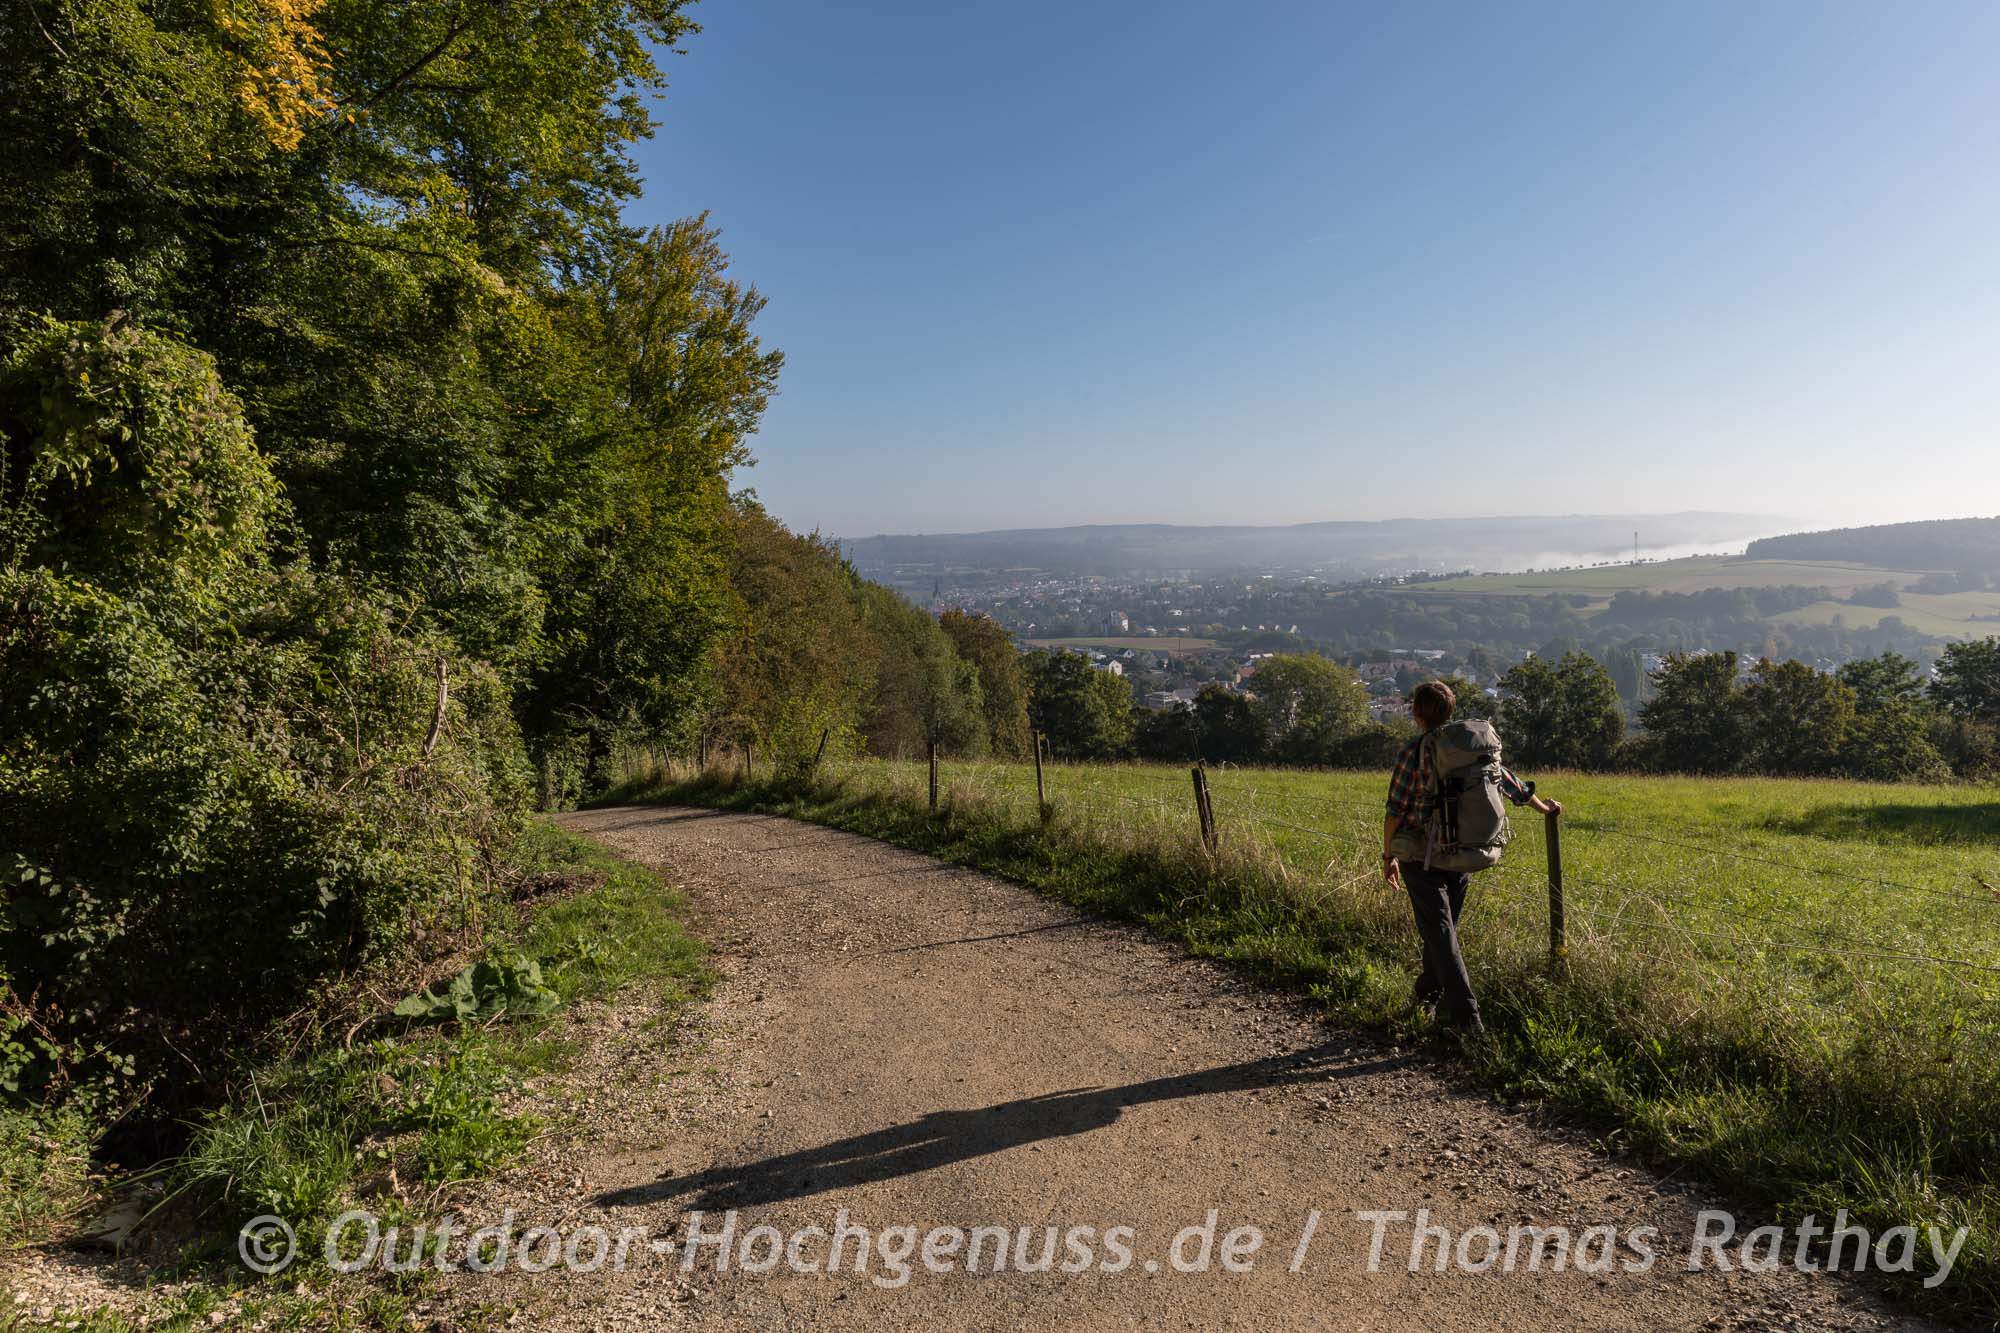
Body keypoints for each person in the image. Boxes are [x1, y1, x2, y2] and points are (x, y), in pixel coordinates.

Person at [1380, 680, 1559, 1035]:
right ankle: (1426, 996)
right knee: (1441, 932)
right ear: (1450, 710)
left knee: (1441, 934)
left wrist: (1388, 857)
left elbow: (1394, 811)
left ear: (1416, 713)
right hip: (1465, 852)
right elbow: (1509, 783)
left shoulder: (1414, 753)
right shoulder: (1471, 750)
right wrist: (1545, 808)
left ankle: (1468, 1021)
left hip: (1423, 857)